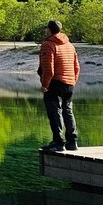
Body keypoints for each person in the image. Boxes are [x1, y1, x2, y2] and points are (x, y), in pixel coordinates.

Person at [38, 19, 80, 151]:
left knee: (54, 111)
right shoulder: (70, 45)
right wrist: (73, 81)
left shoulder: (48, 44)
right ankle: (72, 142)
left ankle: (58, 142)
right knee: (68, 110)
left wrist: (45, 85)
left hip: (54, 82)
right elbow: (77, 67)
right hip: (69, 82)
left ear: (49, 30)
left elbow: (48, 69)